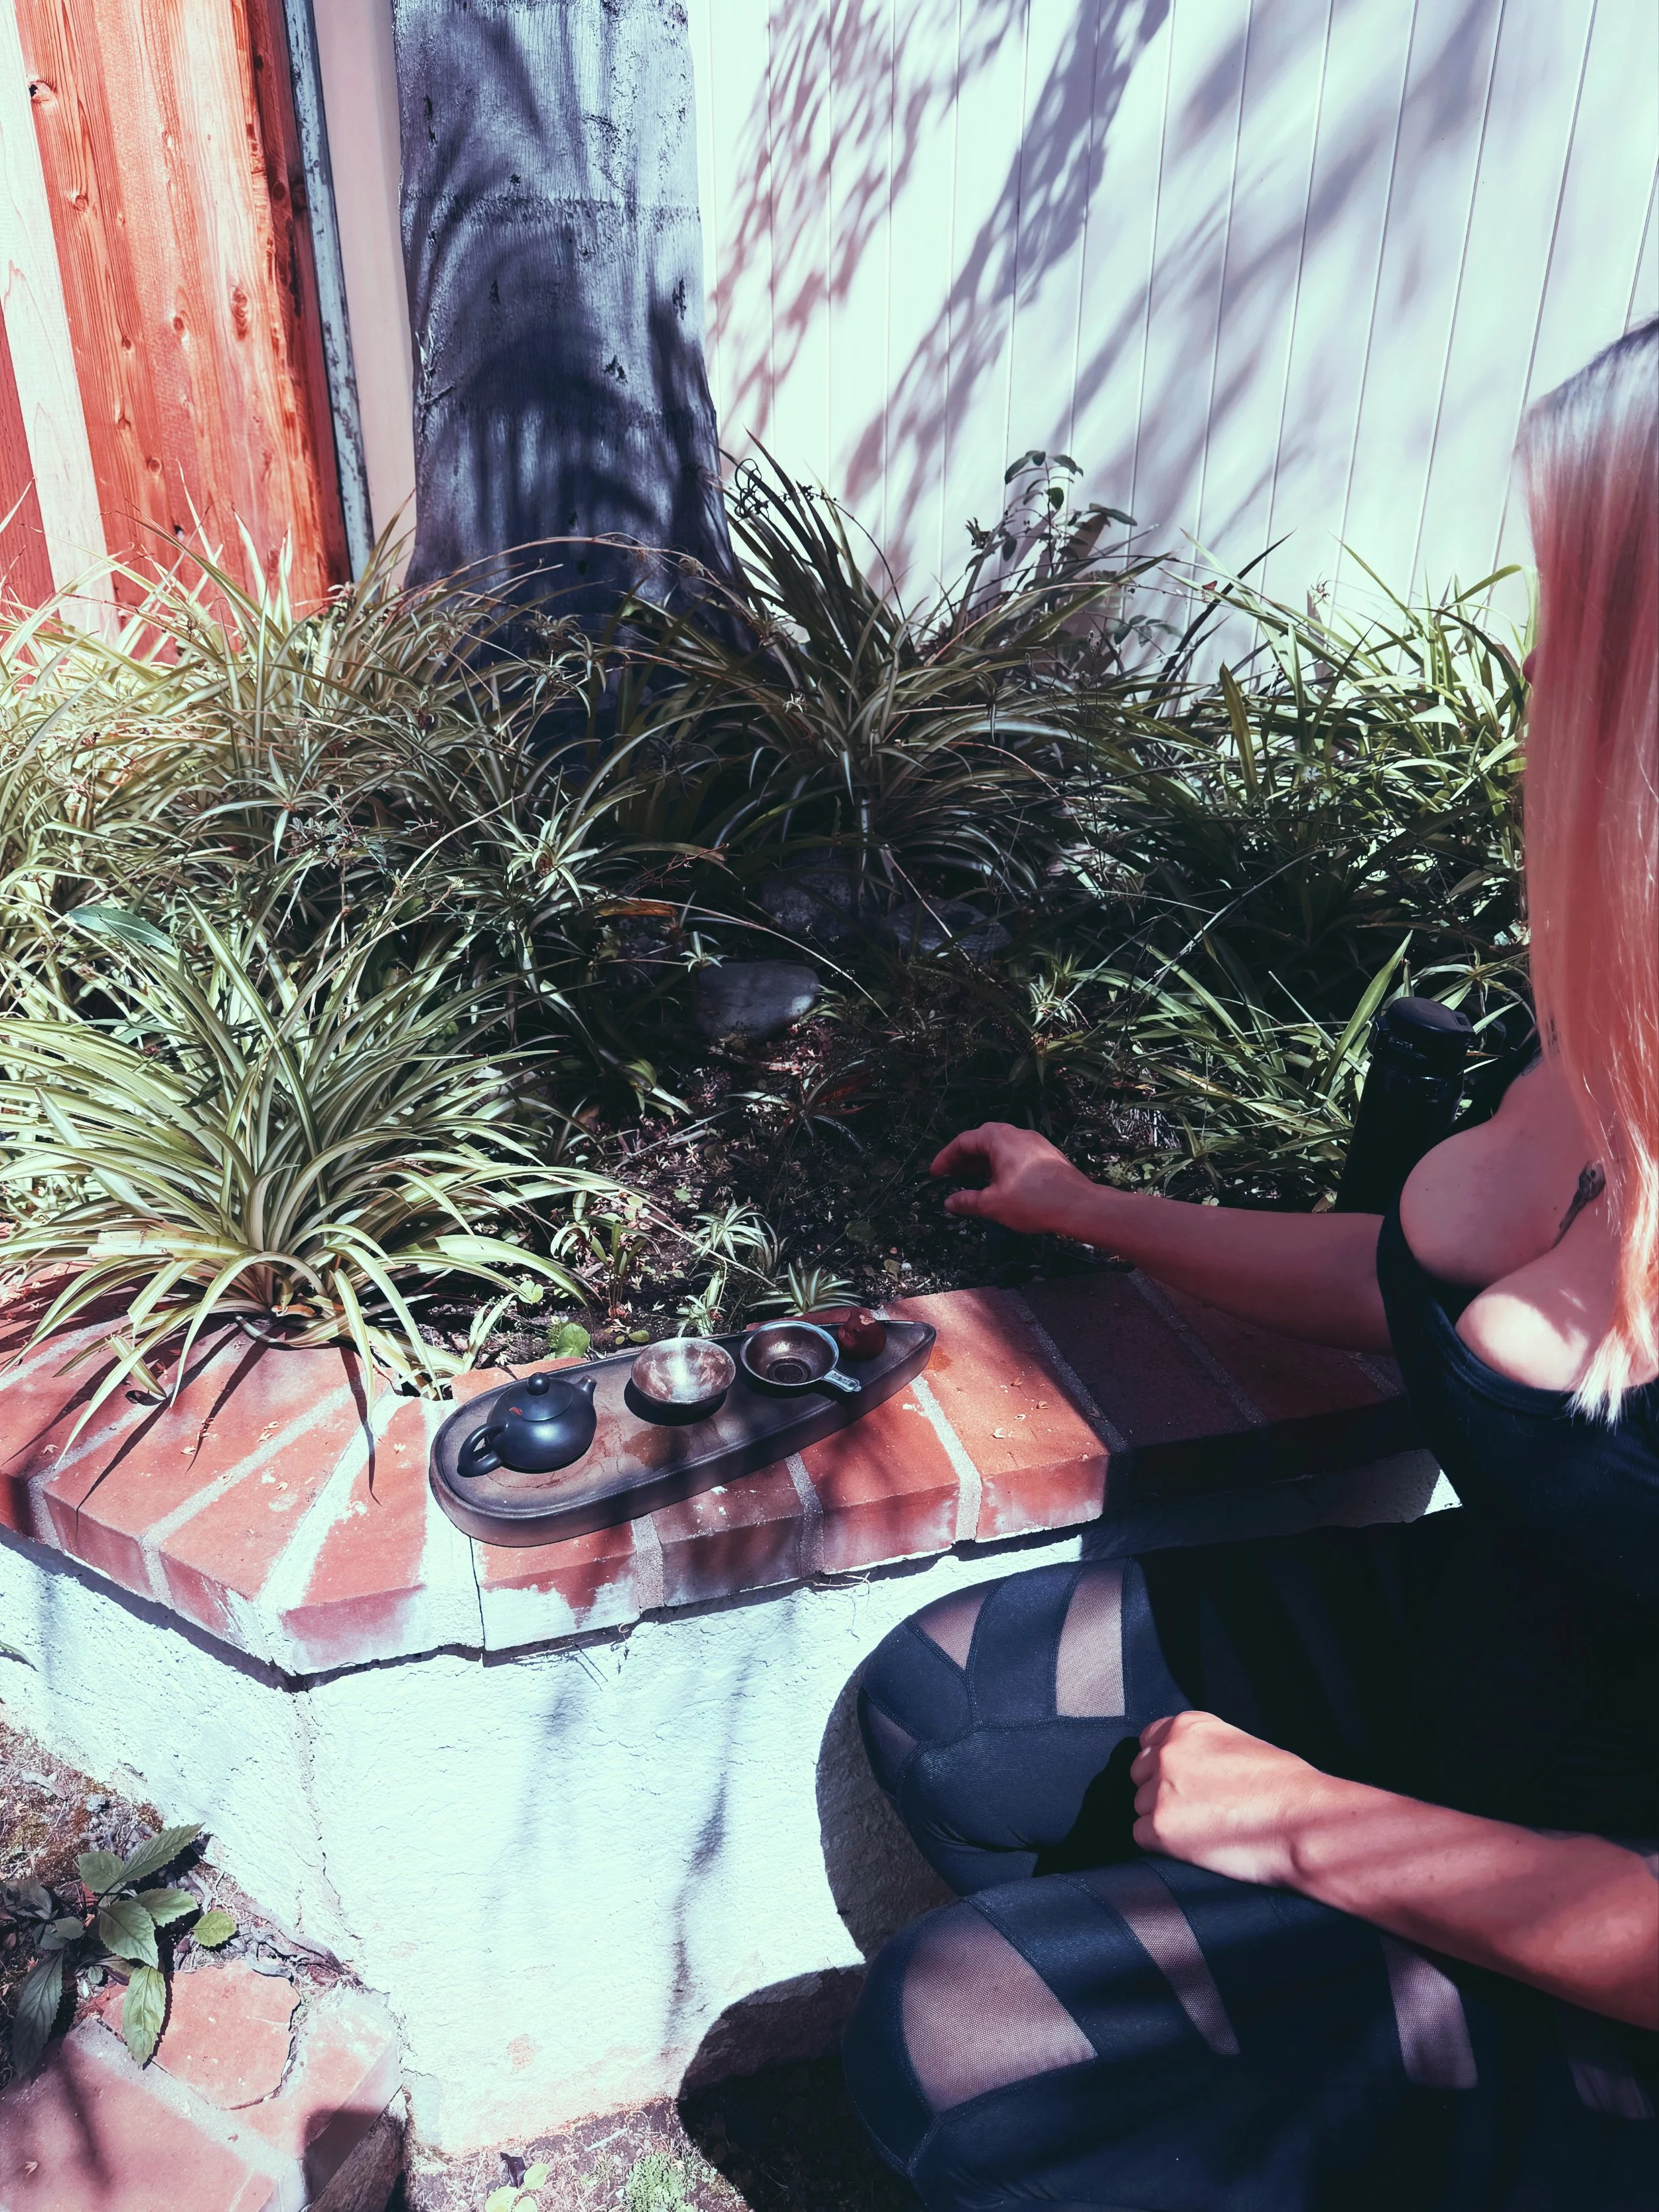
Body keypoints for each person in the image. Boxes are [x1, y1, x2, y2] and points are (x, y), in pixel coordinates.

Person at [841, 320, 1659, 2211]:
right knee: (949, 1705)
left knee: (968, 2033)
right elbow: (1407, 1280)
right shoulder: (1622, 1023)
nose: (1532, 679)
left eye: (1583, 624)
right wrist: (1092, 1210)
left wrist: (1310, 1832)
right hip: (1499, 1664)